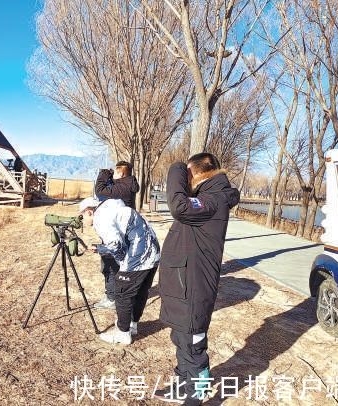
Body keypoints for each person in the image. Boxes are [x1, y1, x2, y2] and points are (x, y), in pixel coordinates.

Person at [154, 153, 240, 405]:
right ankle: (183, 385)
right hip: (185, 281)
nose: (185, 179)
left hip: (194, 284)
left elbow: (179, 207)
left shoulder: (213, 199)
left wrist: (176, 168)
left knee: (193, 341)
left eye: (187, 174)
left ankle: (196, 395)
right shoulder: (207, 197)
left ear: (198, 172)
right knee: (182, 336)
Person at [79, 196, 160, 345]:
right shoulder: (114, 208)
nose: (82, 220)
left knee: (122, 291)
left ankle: (123, 333)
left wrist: (121, 264)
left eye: (82, 215)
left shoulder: (100, 218)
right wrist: (100, 248)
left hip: (139, 254)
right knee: (141, 291)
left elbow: (116, 246)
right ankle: (132, 325)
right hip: (153, 251)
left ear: (89, 212)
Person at [93, 161, 140, 310]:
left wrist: (103, 174)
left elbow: (100, 190)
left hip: (117, 232)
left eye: (116, 171)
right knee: (116, 264)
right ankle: (116, 294)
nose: (114, 174)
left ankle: (112, 297)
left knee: (111, 264)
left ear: (122, 173)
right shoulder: (126, 185)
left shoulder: (123, 187)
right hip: (122, 230)